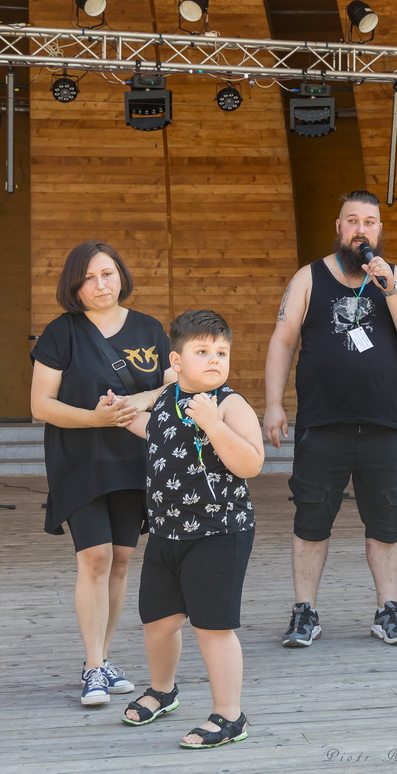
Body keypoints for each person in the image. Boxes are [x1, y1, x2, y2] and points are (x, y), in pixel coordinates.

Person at [263, 189, 397, 648]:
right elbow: (282, 341)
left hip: (384, 424)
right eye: (352, 220)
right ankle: (305, 612)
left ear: (379, 230)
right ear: (339, 228)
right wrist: (273, 404)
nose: (361, 229)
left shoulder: (393, 277)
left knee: (387, 521)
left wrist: (388, 285)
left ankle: (388, 610)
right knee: (311, 519)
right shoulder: (308, 278)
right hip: (323, 423)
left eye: (370, 222)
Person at [31, 241, 175, 706]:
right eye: (89, 278)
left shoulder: (149, 329)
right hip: (80, 460)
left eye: (108, 274)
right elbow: (40, 405)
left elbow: (173, 385)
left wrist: (138, 402)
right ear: (75, 285)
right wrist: (96, 418)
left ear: (121, 276)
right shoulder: (60, 333)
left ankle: (105, 658)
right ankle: (93, 666)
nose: (101, 285)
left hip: (134, 461)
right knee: (94, 558)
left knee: (121, 559)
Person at [121, 310, 263, 749]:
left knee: (212, 625)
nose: (214, 360)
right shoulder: (167, 397)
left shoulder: (229, 404)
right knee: (159, 622)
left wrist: (214, 425)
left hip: (220, 531)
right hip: (167, 531)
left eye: (221, 352)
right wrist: (124, 414)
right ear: (177, 362)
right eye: (202, 351)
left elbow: (251, 463)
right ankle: (163, 691)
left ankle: (229, 715)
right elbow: (158, 434)